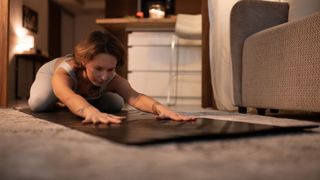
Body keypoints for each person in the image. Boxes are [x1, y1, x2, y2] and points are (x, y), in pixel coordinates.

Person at [28, 30, 196, 125]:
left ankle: (81, 99)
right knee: (40, 102)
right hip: (50, 74)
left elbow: (135, 97)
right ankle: (59, 101)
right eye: (98, 68)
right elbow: (70, 96)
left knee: (115, 104)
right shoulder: (65, 71)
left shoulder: (111, 78)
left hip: (83, 91)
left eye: (110, 69)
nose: (104, 76)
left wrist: (161, 108)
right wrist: (88, 110)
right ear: (85, 61)